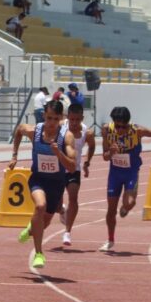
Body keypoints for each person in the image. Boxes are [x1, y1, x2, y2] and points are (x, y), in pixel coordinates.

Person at [10, 100, 77, 268]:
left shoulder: (66, 137)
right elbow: (18, 131)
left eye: (55, 119)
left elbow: (72, 166)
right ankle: (39, 254)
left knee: (43, 223)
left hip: (56, 183)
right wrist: (14, 155)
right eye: (48, 118)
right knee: (40, 206)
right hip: (38, 179)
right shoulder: (34, 131)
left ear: (61, 118)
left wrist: (58, 153)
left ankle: (31, 230)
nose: (51, 123)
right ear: (43, 116)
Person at [99, 106, 151, 252]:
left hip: (131, 172)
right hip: (115, 174)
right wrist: (111, 152)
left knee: (130, 203)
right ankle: (110, 239)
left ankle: (126, 207)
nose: (120, 129)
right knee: (111, 209)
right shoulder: (107, 130)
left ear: (128, 123)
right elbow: (105, 157)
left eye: (123, 126)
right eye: (117, 126)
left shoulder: (137, 131)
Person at [58, 103, 95, 246]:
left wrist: (87, 162)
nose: (74, 123)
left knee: (73, 197)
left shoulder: (87, 132)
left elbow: (92, 146)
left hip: (74, 169)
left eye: (77, 120)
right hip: (59, 169)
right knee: (55, 204)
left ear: (82, 118)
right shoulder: (60, 126)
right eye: (72, 119)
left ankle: (67, 232)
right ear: (68, 117)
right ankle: (61, 210)